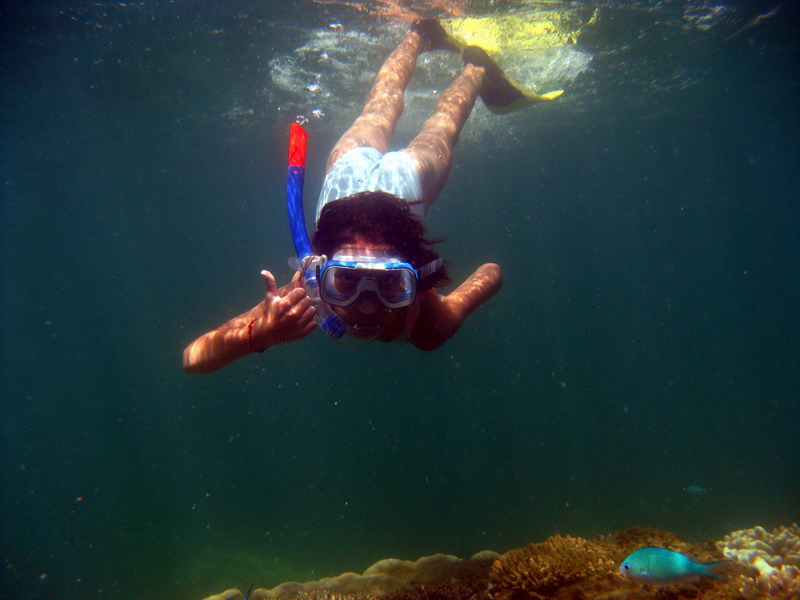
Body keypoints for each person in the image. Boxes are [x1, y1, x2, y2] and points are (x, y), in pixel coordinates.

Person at [183, 19, 559, 374]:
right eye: (346, 281)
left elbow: (194, 358)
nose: (366, 306)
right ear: (318, 272)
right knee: (408, 116)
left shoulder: (416, 318)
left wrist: (260, 334)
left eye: (390, 284)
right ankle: (431, 42)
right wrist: (258, 333)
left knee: (407, 115)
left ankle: (463, 61)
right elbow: (191, 358)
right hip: (394, 177)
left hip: (367, 170)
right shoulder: (325, 297)